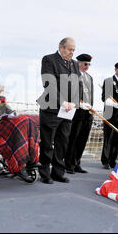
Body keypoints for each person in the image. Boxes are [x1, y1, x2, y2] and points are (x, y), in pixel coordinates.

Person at [36, 37, 82, 184]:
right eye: (70, 49)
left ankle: (58, 172)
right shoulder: (49, 60)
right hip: (51, 108)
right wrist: (62, 102)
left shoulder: (74, 64)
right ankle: (44, 173)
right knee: (48, 143)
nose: (72, 53)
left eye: (74, 50)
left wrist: (74, 103)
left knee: (62, 142)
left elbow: (78, 85)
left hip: (68, 110)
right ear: (61, 47)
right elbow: (49, 83)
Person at [0, 82, 40, 180]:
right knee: (18, 126)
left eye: (0, 91)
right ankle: (19, 165)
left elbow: (9, 111)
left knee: (28, 121)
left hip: (3, 125)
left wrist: (13, 114)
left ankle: (31, 159)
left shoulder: (1, 100)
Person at [65, 54, 94, 174]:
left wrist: (90, 106)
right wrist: (78, 103)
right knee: (73, 139)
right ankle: (68, 164)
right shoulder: (73, 76)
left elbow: (90, 95)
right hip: (76, 111)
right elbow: (69, 94)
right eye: (85, 64)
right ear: (79, 63)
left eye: (89, 64)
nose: (87, 66)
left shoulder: (89, 77)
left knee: (83, 139)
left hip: (87, 112)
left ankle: (77, 163)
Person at [101, 61, 118, 169]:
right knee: (109, 137)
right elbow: (105, 98)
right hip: (110, 113)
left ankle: (113, 159)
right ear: (116, 70)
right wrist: (114, 104)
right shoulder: (108, 81)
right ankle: (105, 160)